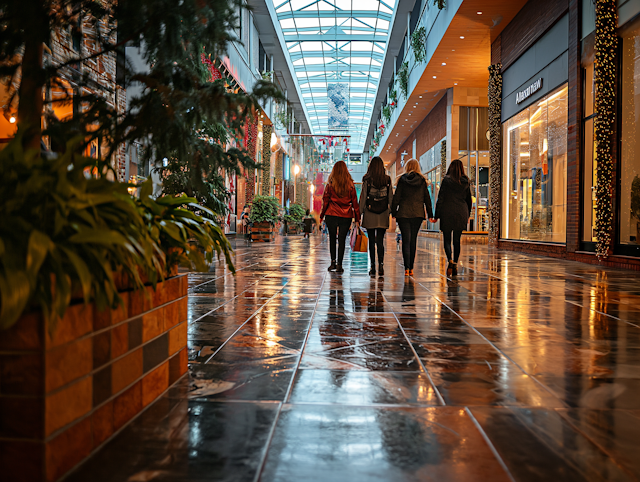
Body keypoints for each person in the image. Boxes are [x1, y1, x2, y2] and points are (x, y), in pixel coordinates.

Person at [391, 159, 433, 277]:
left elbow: (396, 197)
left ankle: (406, 268)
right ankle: (412, 268)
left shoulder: (402, 180)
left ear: (407, 167)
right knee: (413, 240)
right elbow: (427, 199)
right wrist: (430, 214)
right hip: (417, 214)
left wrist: (393, 212)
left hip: (403, 214)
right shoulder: (422, 181)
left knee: (406, 240)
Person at [433, 159, 472, 276]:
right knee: (457, 240)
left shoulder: (446, 181)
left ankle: (449, 259)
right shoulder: (466, 182)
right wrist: (468, 215)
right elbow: (469, 200)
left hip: (447, 212)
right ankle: (455, 262)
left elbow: (441, 199)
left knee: (447, 239)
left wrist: (436, 215)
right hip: (461, 212)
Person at [320, 161, 360, 273]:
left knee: (332, 238)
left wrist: (322, 215)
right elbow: (355, 203)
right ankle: (340, 265)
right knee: (342, 239)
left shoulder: (330, 184)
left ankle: (332, 262)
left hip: (331, 214)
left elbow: (325, 201)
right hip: (346, 215)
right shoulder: (351, 185)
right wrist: (357, 218)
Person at [359, 156, 392, 277]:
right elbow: (390, 197)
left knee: (371, 241)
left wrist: (359, 212)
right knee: (380, 241)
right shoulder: (387, 179)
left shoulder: (367, 179)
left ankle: (373, 266)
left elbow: (363, 197)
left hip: (370, 213)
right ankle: (381, 265)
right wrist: (390, 211)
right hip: (383, 213)